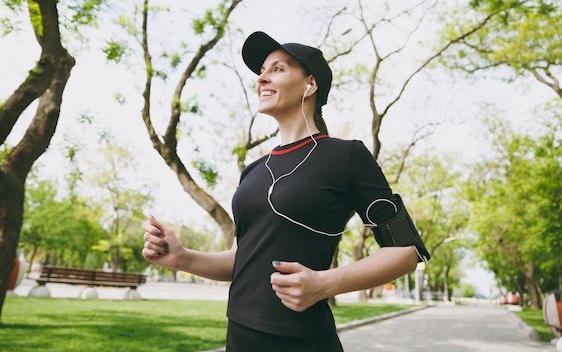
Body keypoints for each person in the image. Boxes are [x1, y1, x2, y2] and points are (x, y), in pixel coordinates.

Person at [142, 31, 430, 352]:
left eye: (277, 69)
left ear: (310, 84)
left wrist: (324, 284)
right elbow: (243, 259)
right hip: (239, 335)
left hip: (303, 341)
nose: (262, 78)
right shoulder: (252, 171)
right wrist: (182, 257)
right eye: (261, 71)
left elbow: (406, 252)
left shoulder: (346, 156)